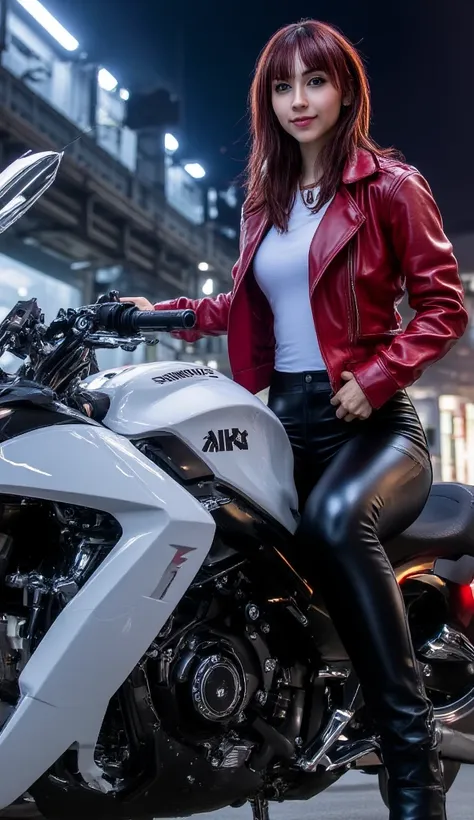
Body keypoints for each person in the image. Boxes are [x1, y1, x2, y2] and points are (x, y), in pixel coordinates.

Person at [122, 19, 468, 820]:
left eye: (314, 81)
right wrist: (158, 314)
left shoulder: (389, 185)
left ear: (345, 89)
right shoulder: (266, 203)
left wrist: (377, 376)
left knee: (336, 526)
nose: (298, 100)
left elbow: (443, 305)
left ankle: (410, 765)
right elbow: (239, 306)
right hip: (288, 422)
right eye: (282, 86)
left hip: (376, 429)